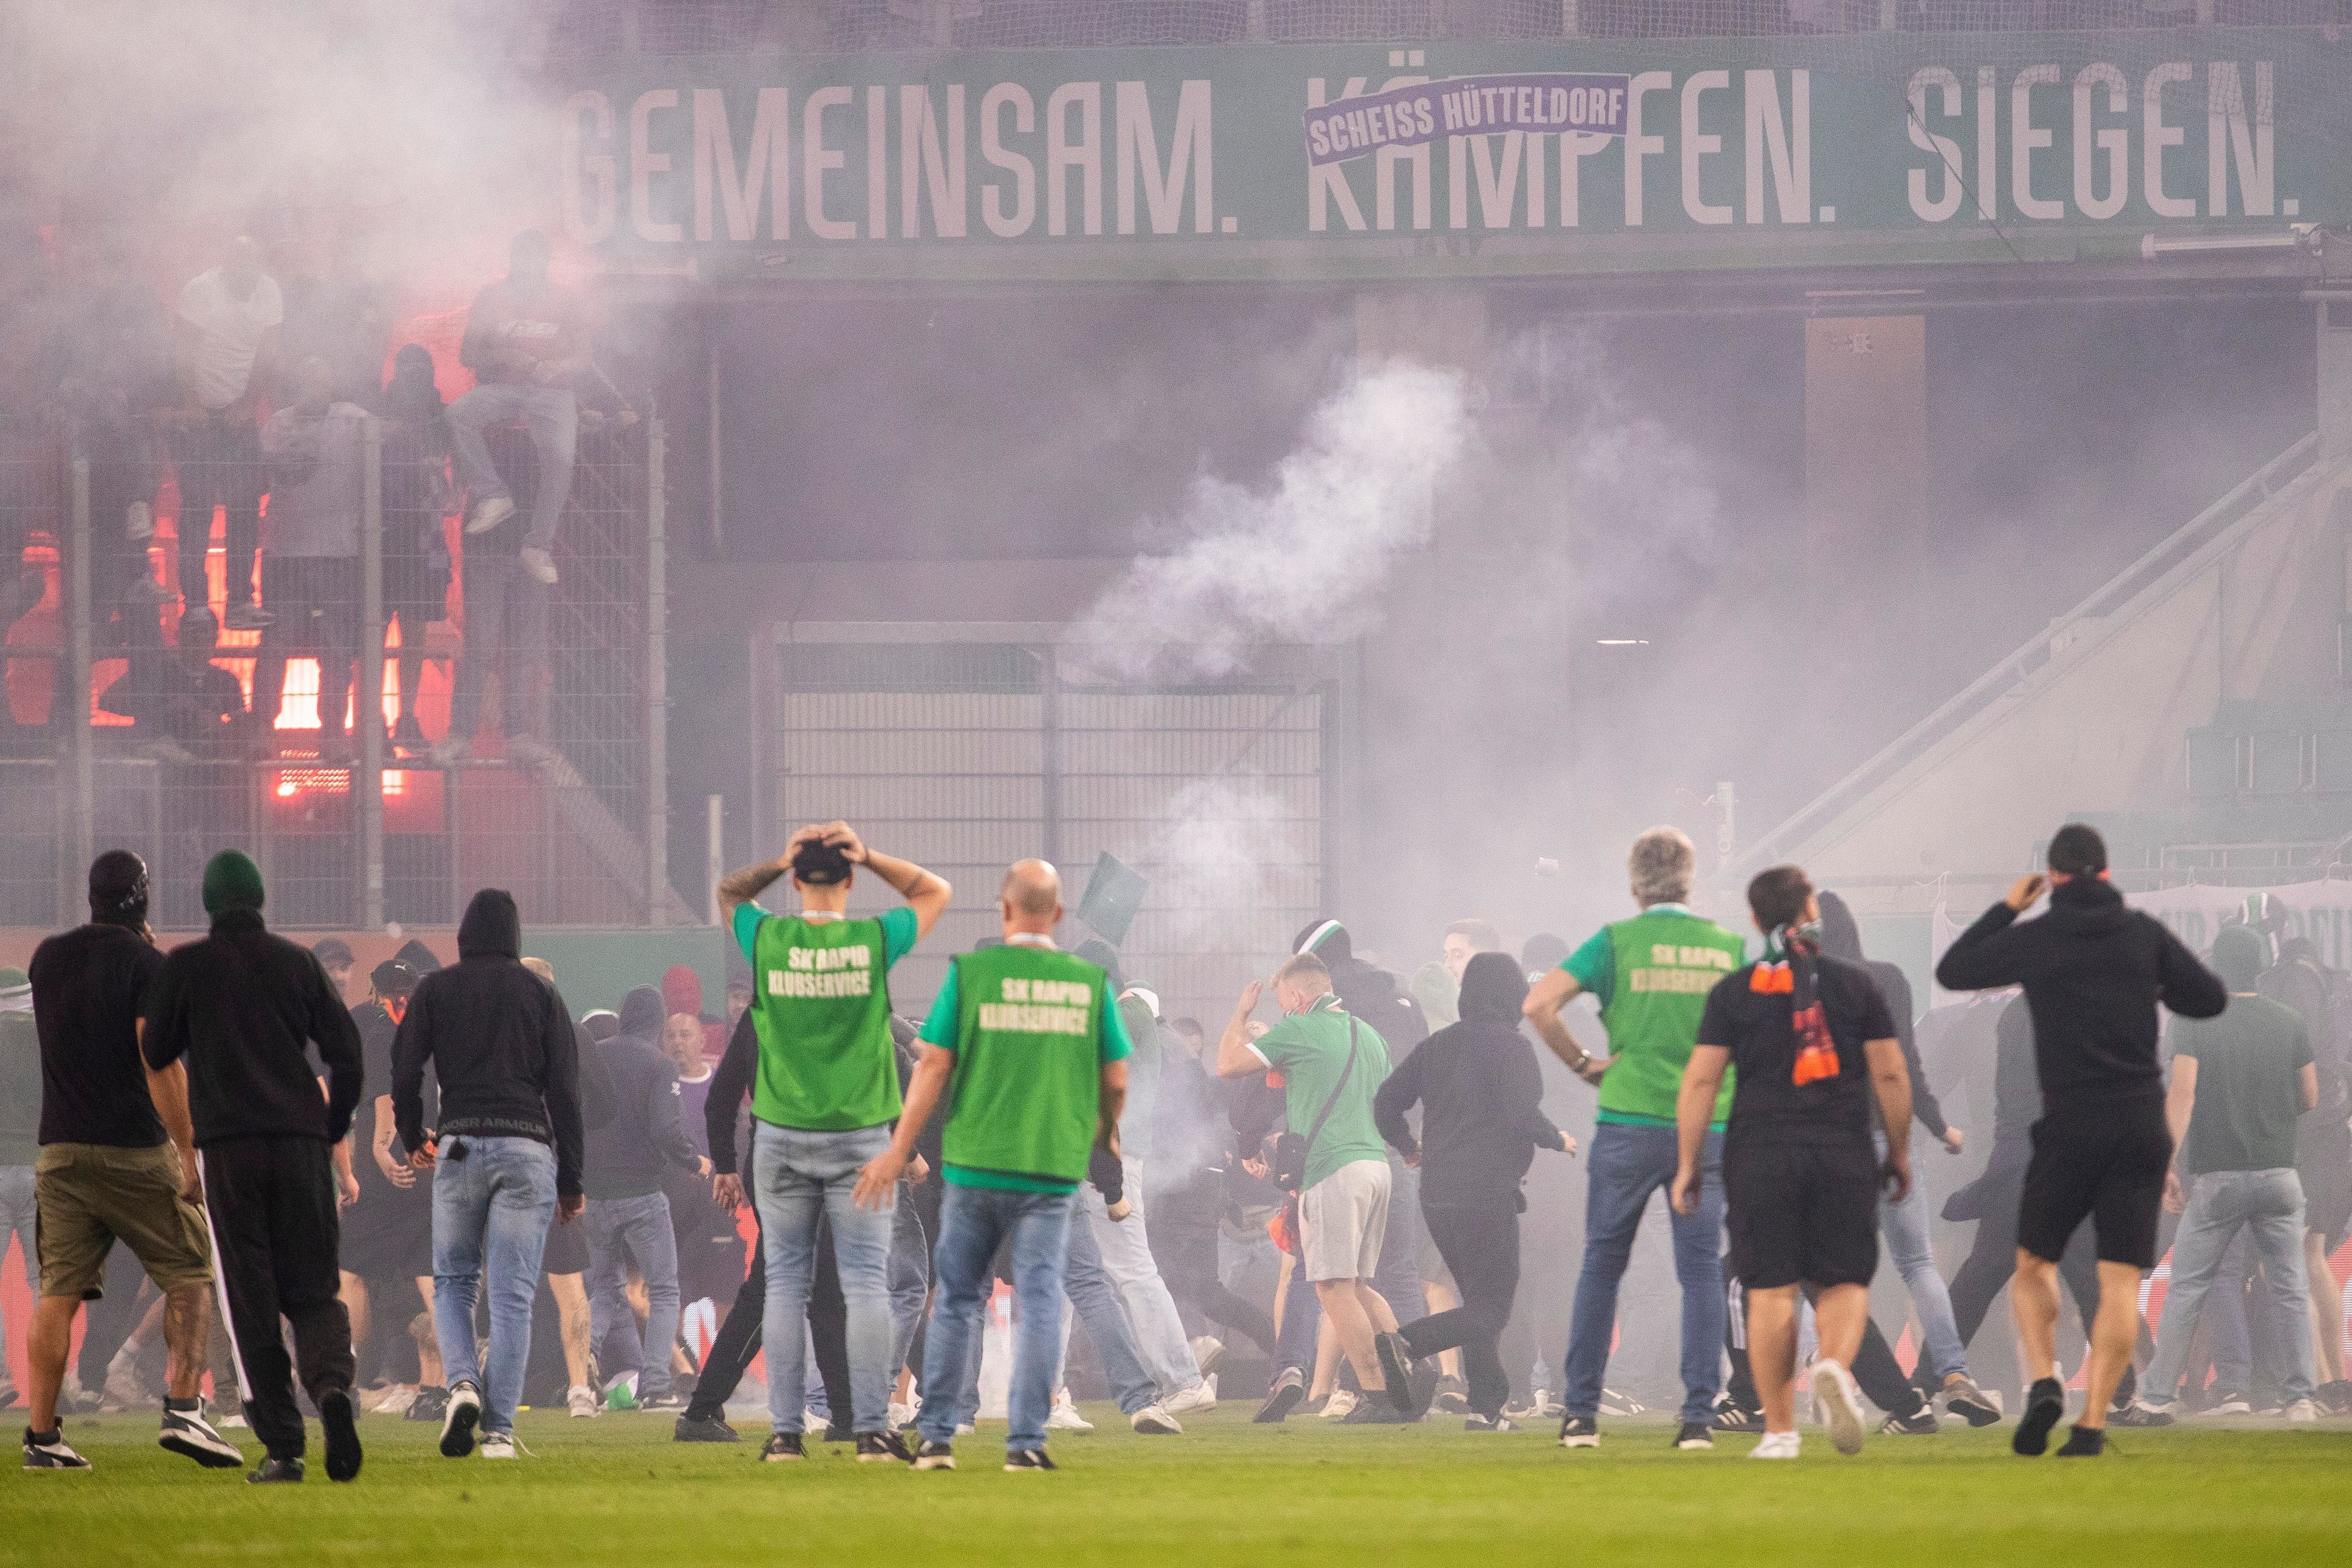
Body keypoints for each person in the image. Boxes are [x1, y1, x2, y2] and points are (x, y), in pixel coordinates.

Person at [1935, 823, 2226, 1458]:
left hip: (2069, 1124)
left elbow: (1954, 969)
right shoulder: (2142, 936)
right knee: (2118, 1280)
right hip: (2137, 1125)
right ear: (2106, 871)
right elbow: (2206, 999)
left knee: (2032, 1264)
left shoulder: (2039, 937)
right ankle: (2091, 1421)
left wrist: (2010, 906)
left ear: (2054, 876)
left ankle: (2044, 1380)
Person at [855, 858, 1131, 1472]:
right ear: (1057, 914)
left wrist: (900, 1149)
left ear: (1004, 910)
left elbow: (932, 1066)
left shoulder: (971, 975)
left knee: (957, 1301)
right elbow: (1114, 1075)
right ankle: (1027, 1442)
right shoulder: (1088, 983)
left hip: (974, 1170)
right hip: (1048, 1173)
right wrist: (1106, 1144)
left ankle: (939, 1436)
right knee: (1038, 1302)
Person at [716, 821, 950, 1463]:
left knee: (786, 1285)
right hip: (859, 1138)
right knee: (867, 1285)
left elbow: (730, 893)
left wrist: (778, 857)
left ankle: (786, 1433)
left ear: (796, 881)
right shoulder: (871, 940)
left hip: (781, 1137)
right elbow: (934, 891)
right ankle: (872, 1428)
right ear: (847, 880)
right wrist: (870, 854)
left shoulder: (768, 937)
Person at [1664, 865, 1911, 1459]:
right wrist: (1898, 1149)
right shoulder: (1858, 987)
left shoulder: (1734, 991)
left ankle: (1777, 1430)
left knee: (1769, 1292)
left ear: (1753, 919)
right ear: (1810, 912)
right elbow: (1889, 1072)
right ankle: (1829, 1365)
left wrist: (1687, 1162)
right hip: (1842, 1151)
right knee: (1843, 1282)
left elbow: (1700, 1081)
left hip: (1760, 1154)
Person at [139, 850, 366, 1484]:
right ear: (261, 898)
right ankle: (332, 1390)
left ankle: (285, 1448)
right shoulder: (297, 962)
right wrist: (333, 1121)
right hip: (298, 1143)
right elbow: (345, 1052)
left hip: (229, 1151)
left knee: (252, 1301)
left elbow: (155, 1048)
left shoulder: (187, 966)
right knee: (316, 1290)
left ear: (209, 903)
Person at [1522, 825, 1744, 1448]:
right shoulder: (1725, 947)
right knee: (1699, 1271)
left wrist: (1583, 1065)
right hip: (1705, 1130)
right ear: (1689, 880)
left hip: (1625, 1122)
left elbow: (1538, 1004)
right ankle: (1698, 1418)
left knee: (1600, 1266)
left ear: (1633, 883)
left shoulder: (1616, 942)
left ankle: (1579, 1417)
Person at [22, 851, 240, 1472]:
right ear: (143, 896)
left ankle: (43, 1439)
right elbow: (158, 1059)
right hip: (134, 1150)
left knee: (58, 1293)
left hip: (60, 1149)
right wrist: (188, 1151)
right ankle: (183, 1411)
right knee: (192, 1272)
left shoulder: (47, 958)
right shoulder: (149, 964)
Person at [393, 888, 586, 1461]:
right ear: (515, 935)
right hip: (527, 1149)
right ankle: (499, 1431)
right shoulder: (541, 995)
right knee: (512, 1297)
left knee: (453, 1282)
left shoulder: (436, 989)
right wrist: (571, 1180)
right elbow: (566, 1095)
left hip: (456, 1147)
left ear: (463, 935)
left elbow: (404, 1069)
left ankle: (460, 1386)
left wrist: (412, 1135)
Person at [1813, 891, 1997, 1427]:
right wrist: (1940, 1126)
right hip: (1887, 1140)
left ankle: (1818, 1375)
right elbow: (1904, 1067)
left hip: (1826, 1147)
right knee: (1917, 1264)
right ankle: (1954, 1373)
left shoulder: (1801, 988)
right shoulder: (1888, 979)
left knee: (1822, 1273)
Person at [1371, 952, 1572, 1429]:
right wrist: (1558, 1138)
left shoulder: (1436, 1045)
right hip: (1485, 1193)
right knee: (1493, 1307)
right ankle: (1407, 1343)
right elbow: (1522, 1114)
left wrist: (1406, 1145)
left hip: (1436, 1193)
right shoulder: (1513, 1049)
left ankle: (1487, 1407)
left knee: (1477, 1300)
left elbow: (1385, 1103)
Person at [2131, 924, 2320, 1421]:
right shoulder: (2290, 1019)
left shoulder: (2193, 1019)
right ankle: (2301, 1396)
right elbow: (2310, 1096)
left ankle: (2157, 1397)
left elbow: (2183, 1092)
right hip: (2281, 1173)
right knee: (2290, 1287)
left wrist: (2166, 1161)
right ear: (2261, 965)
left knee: (2189, 1285)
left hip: (2219, 1176)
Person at [1218, 950, 1405, 1422]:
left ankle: (1377, 1394)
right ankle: (1408, 1380)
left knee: (1333, 1288)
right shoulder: (1371, 1035)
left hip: (1331, 1169)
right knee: (1361, 1285)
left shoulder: (1299, 1028)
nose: (1280, 1011)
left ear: (1299, 996)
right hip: (1377, 1166)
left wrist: (1241, 1014)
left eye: (1282, 1002)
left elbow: (1227, 1064)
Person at [1065, 941, 1213, 1416]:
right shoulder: (1134, 1016)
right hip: (1112, 1155)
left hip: (1106, 1158)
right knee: (1080, 1270)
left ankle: (1182, 1377)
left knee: (1129, 1270)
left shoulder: (1122, 1012)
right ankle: (1052, 1392)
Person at [581, 985, 710, 1412]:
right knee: (664, 1288)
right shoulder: (659, 1062)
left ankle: (586, 1356)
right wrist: (695, 1163)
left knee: (604, 1287)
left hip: (595, 1193)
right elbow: (665, 1128)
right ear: (657, 1023)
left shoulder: (596, 1054)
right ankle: (657, 1383)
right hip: (641, 1192)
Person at [446, 230, 587, 587]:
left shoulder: (565, 300)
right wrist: (505, 355)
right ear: (513, 259)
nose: (530, 265)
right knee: (457, 415)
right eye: (523, 257)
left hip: (553, 393)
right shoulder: (492, 297)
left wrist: (558, 366)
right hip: (502, 388)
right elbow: (468, 354)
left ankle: (537, 546)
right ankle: (493, 495)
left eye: (537, 258)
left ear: (546, 262)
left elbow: (584, 355)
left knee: (561, 462)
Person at [337, 960, 443, 1410]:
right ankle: (443, 1386)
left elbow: (385, 1095)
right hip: (432, 1157)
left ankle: (343, 1378)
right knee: (431, 1275)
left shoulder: (380, 1030)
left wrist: (381, 1149)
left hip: (391, 1166)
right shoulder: (435, 1032)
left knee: (351, 1269)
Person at [1145, 1015, 1280, 1369]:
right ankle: (1280, 1347)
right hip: (1208, 1189)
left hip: (1182, 1190)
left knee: (1159, 1274)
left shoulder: (1159, 1075)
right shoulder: (1197, 1076)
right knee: (1207, 1292)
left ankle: (1196, 1342)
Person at [252, 356, 367, 757]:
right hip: (284, 552)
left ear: (332, 384)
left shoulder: (355, 421)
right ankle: (263, 728)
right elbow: (257, 478)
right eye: (307, 378)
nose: (314, 387)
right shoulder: (277, 424)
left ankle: (333, 733)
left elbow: (387, 441)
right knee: (274, 644)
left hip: (339, 553)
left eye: (321, 378)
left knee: (337, 648)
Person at [165, 236, 279, 629]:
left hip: (240, 419)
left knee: (245, 511)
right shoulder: (200, 291)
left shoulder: (268, 292)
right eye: (239, 269)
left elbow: (268, 353)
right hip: (200, 420)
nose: (247, 277)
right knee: (197, 511)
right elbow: (181, 350)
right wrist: (192, 403)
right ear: (227, 266)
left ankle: (240, 604)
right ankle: (195, 604)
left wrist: (249, 402)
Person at [2260, 936, 2352, 1410]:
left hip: (2309, 1135)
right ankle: (2337, 1377)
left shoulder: (2291, 983)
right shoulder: (2337, 987)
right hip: (2340, 1136)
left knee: (2294, 1259)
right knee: (2314, 1257)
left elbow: (2297, 1064)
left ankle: (2321, 1382)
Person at [380, 345, 454, 755]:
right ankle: (374, 721)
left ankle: (406, 717)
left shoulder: (440, 416)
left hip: (423, 537)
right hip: (383, 532)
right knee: (374, 632)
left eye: (422, 371)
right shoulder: (380, 411)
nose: (415, 379)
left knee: (413, 635)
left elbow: (453, 461)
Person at [96, 607, 250, 761]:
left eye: (207, 638)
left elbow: (242, 729)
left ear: (216, 640)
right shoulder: (160, 672)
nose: (201, 644)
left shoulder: (226, 680)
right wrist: (166, 709)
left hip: (210, 762)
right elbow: (108, 700)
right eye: (194, 637)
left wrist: (219, 726)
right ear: (179, 637)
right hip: (165, 760)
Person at [0, 967, 35, 1415]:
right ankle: (58, 1375)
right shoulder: (44, 1040)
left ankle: (1, 1375)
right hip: (40, 1169)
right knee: (49, 1282)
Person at [1412, 918, 1504, 1032]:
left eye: (1458, 955)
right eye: (1446, 955)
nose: (1447, 964)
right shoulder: (1431, 1008)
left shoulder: (1506, 1013)